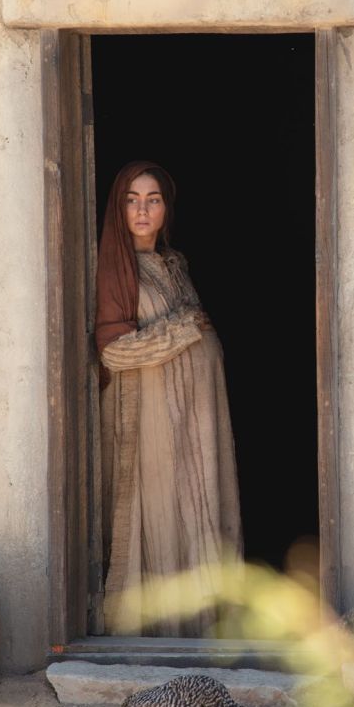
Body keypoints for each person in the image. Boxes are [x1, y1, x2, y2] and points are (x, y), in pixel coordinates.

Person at [95, 160, 242, 636]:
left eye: (152, 199)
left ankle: (204, 624)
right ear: (118, 207)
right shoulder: (114, 268)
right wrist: (185, 328)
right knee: (157, 508)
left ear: (165, 208)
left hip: (195, 419)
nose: (142, 210)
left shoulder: (175, 264)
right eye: (131, 200)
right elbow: (115, 352)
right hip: (152, 416)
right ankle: (157, 628)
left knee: (197, 503)